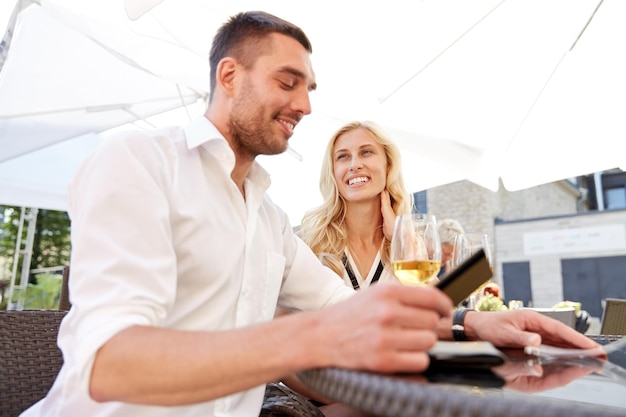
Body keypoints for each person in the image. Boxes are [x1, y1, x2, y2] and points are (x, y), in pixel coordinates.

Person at [21, 11, 599, 417]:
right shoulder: (139, 160)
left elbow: (351, 310)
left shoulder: (266, 217)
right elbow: (108, 365)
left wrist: (471, 326)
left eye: (310, 88)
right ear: (229, 76)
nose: (304, 105)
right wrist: (314, 336)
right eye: (288, 82)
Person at [298, 121, 412, 289]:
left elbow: (442, 304)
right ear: (332, 172)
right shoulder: (308, 243)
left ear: (388, 166)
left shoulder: (409, 241)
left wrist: (400, 240)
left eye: (366, 152)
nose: (354, 165)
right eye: (343, 156)